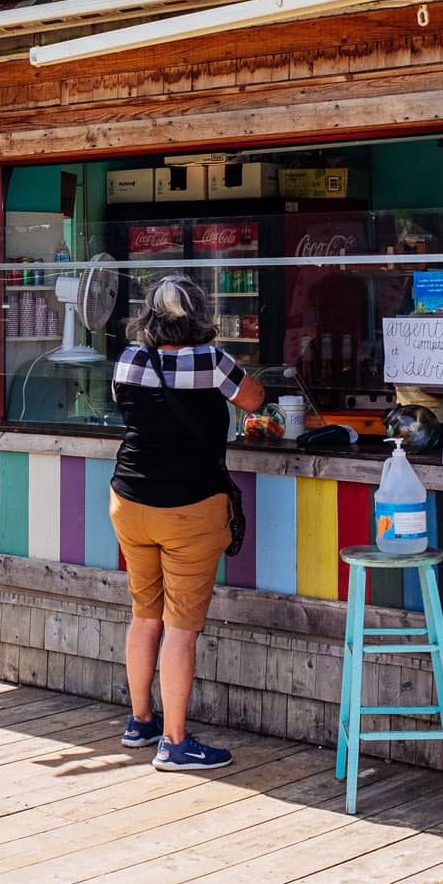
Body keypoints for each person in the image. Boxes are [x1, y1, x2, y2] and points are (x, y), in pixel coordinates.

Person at [109, 275, 265, 772]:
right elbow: (256, 400)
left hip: (130, 501)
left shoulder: (128, 361)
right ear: (199, 315)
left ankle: (140, 722)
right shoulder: (212, 362)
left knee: (144, 613)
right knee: (180, 627)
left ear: (148, 317)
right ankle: (175, 744)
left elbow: (127, 407)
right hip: (190, 508)